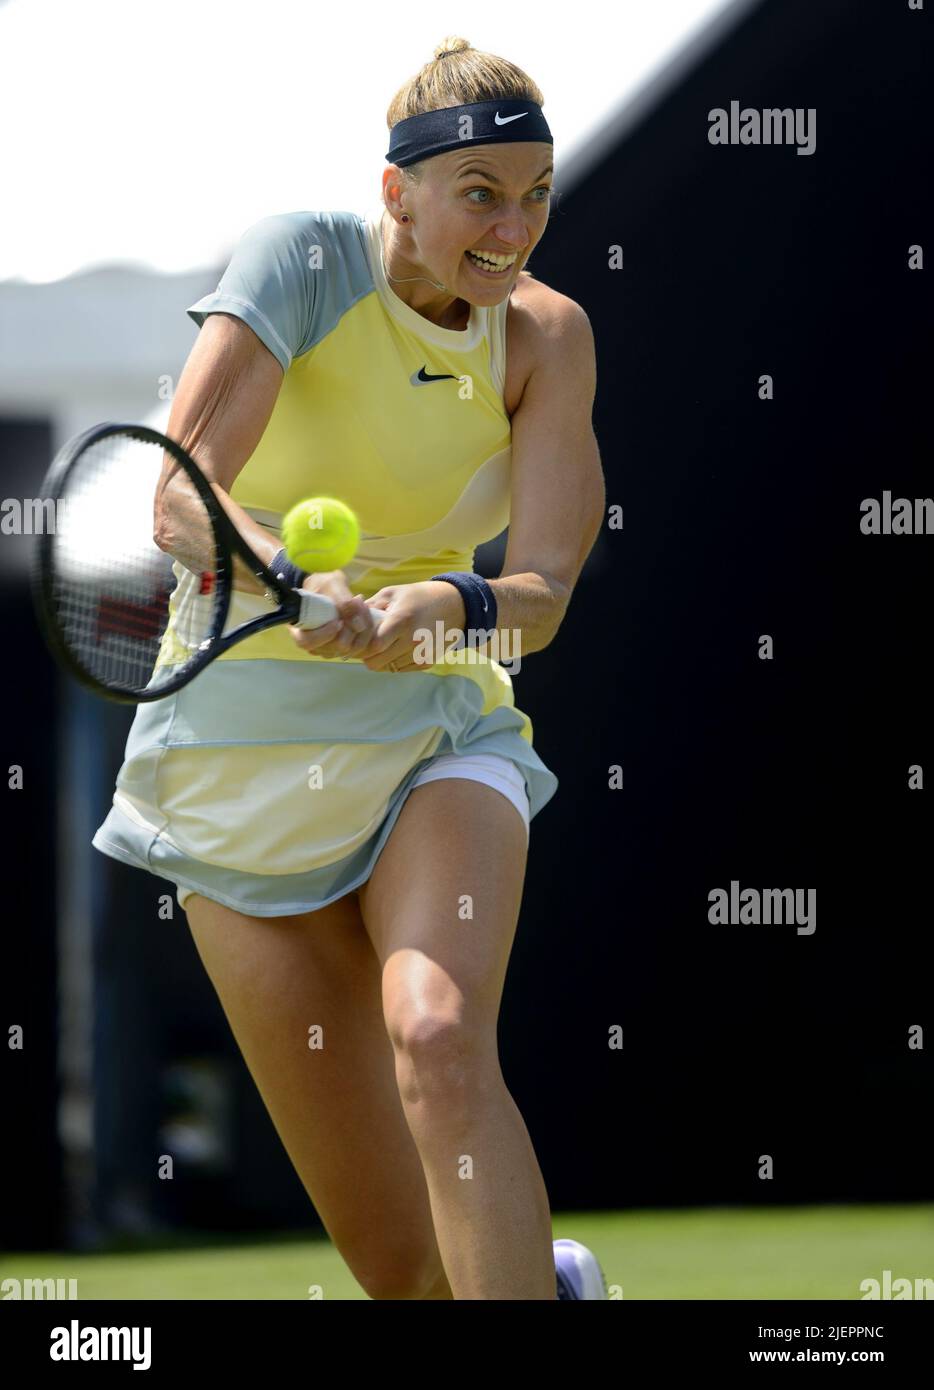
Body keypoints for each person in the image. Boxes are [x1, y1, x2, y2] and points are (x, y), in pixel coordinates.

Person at [92, 36, 607, 1299]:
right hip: (230, 767)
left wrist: (439, 600)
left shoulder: (546, 336)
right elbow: (176, 501)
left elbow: (538, 598)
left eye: (535, 191)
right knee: (399, 1271)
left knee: (437, 1035)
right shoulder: (301, 260)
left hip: (434, 729)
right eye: (479, 190)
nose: (513, 225)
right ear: (398, 193)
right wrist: (295, 583)